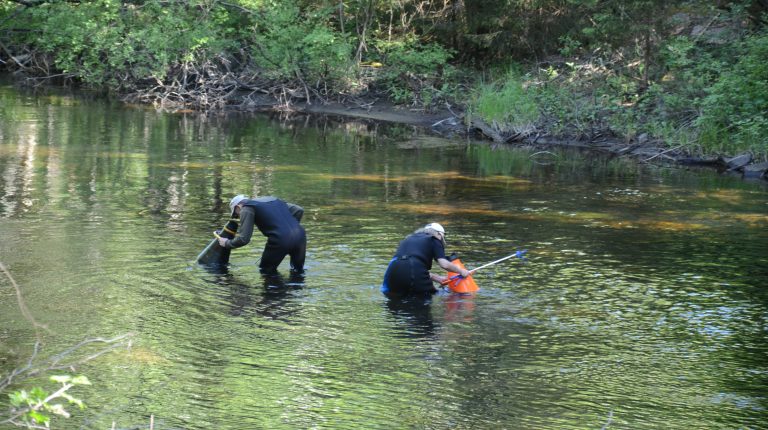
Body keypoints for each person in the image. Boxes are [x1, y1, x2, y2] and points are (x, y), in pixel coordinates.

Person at [218, 194, 306, 275]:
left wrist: (226, 243)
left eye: (236, 214)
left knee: (266, 272)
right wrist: (290, 230)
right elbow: (298, 210)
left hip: (280, 240)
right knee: (298, 272)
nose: (238, 216)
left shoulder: (246, 208)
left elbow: (243, 239)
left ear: (238, 206)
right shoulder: (272, 199)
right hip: (301, 237)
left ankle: (276, 292)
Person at [381, 223, 470, 299]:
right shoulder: (433, 239)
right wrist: (461, 271)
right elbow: (444, 264)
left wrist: (435, 277)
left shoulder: (408, 239)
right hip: (414, 270)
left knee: (397, 303)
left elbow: (408, 263)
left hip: (393, 270)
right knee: (433, 298)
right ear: (439, 234)